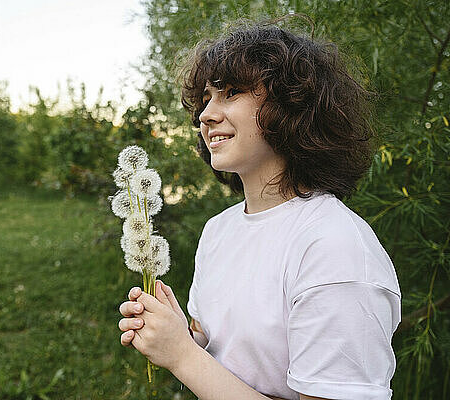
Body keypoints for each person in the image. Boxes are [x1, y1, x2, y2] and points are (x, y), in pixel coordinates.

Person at [117, 17, 401, 400]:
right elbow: (218, 357)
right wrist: (174, 335)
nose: (206, 115)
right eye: (206, 99)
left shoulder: (336, 249)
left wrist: (183, 356)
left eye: (231, 92)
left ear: (293, 105)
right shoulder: (219, 230)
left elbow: (194, 362)